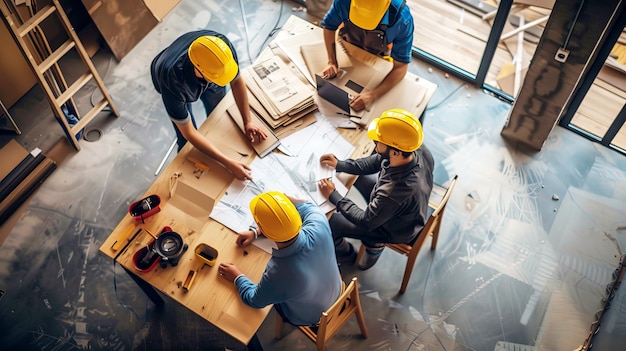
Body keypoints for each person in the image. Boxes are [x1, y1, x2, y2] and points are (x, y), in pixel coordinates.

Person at [318, 109, 434, 270]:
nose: (374, 143)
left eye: (377, 141)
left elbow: (366, 221)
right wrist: (341, 164)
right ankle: (371, 244)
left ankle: (349, 255)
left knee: (332, 223)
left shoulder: (394, 191)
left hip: (393, 229)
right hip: (405, 211)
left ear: (395, 151)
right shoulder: (415, 150)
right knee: (361, 178)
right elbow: (377, 160)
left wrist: (334, 196)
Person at [151, 30, 267, 181]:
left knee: (217, 113)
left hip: (206, 73)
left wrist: (248, 121)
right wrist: (227, 163)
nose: (222, 80)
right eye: (216, 77)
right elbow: (189, 132)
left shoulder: (222, 49)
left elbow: (237, 82)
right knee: (186, 142)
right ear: (199, 70)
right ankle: (183, 168)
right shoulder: (173, 84)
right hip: (174, 80)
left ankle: (212, 143)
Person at [218, 191, 343, 328]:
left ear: (264, 230)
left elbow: (255, 301)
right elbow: (302, 204)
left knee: (274, 297)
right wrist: (256, 232)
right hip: (337, 291)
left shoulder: (278, 272)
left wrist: (237, 277)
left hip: (311, 317)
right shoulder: (319, 220)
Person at [319, 0, 414, 112]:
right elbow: (329, 26)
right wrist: (332, 61)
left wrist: (374, 95)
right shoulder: (344, 2)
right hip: (347, 50)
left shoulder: (402, 19)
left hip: (377, 61)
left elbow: (401, 67)